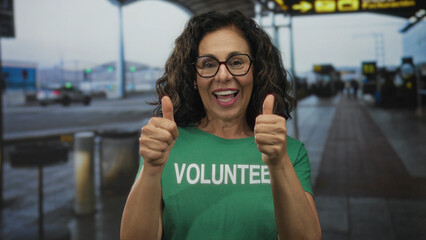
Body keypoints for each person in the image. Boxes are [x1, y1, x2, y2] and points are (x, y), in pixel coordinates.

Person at [121, 10, 321, 240]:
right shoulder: (165, 147)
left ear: (257, 71)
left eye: (237, 62)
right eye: (208, 64)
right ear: (193, 77)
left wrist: (278, 162)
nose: (223, 75)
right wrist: (151, 168)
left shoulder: (290, 152)